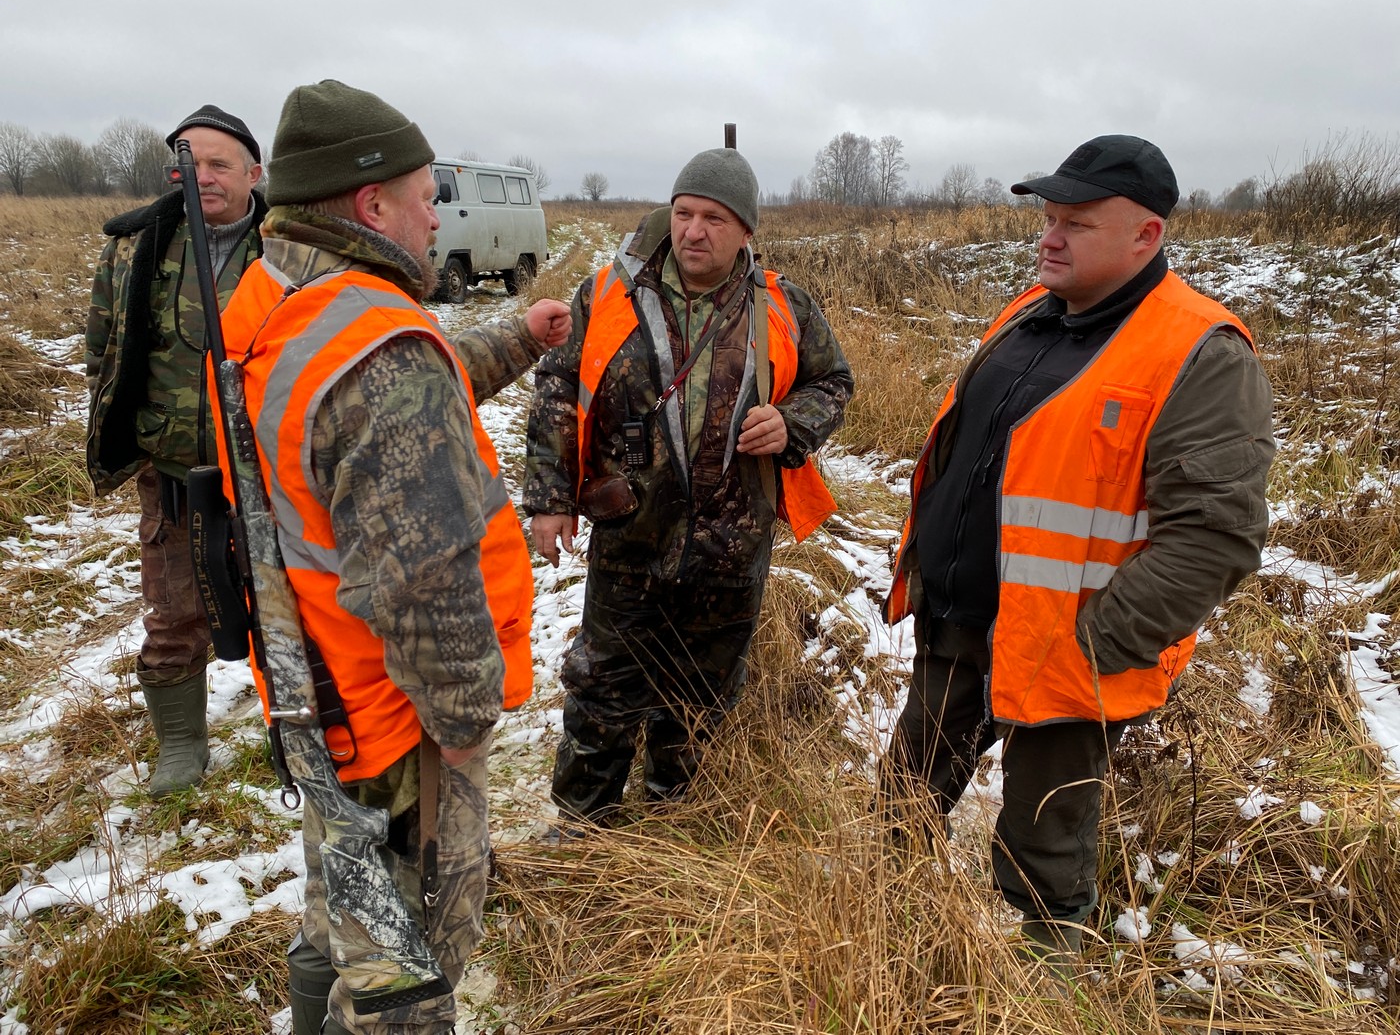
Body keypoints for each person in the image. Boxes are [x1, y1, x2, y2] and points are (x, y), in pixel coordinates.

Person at [217, 80, 569, 1035]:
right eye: (425, 197)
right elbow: (425, 576)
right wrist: (462, 724)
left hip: (318, 689)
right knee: (407, 978)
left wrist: (516, 338)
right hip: (399, 724)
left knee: (348, 909)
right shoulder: (379, 348)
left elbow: (385, 405)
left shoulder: (271, 299)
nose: (436, 216)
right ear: (372, 207)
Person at [881, 135, 1274, 973]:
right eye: (1048, 219)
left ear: (1146, 235)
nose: (1049, 238)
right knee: (903, 802)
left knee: (1040, 855)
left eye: (1077, 223)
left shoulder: (1200, 350)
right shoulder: (1030, 313)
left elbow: (1216, 536)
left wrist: (1098, 641)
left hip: (1069, 651)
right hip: (961, 623)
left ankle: (1047, 992)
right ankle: (886, 950)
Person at [525, 147, 854, 826]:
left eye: (713, 218)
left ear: (746, 230)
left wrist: (791, 424)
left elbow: (833, 382)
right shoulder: (607, 293)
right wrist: (551, 498)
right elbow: (557, 385)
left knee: (701, 696)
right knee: (603, 687)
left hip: (732, 542)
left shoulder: (783, 305)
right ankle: (583, 830)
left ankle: (674, 825)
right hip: (630, 532)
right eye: (683, 213)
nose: (693, 231)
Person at [84, 104, 266, 797]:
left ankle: (301, 726)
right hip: (173, 470)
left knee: (288, 599)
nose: (204, 176)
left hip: (268, 469)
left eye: (220, 163)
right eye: (191, 163)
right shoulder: (138, 247)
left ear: (254, 174)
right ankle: (182, 746)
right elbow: (102, 350)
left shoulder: (286, 249)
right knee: (172, 609)